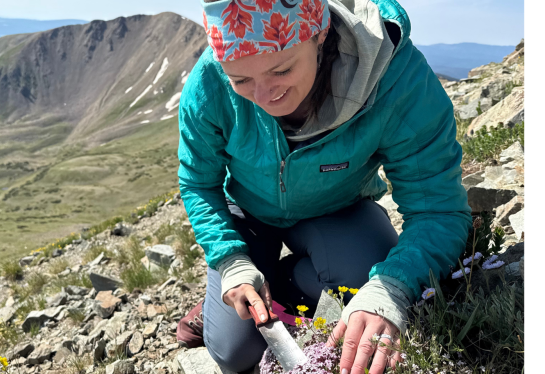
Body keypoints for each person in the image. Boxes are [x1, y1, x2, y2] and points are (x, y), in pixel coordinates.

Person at [174, 0, 472, 373]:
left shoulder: (395, 78)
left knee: (369, 277)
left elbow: (438, 208)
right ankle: (233, 292)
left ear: (320, 31)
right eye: (241, 81)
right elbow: (198, 183)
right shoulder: (208, 81)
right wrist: (230, 260)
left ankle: (279, 284)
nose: (265, 98)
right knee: (234, 353)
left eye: (280, 70)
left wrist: (392, 287)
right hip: (248, 214)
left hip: (339, 208)